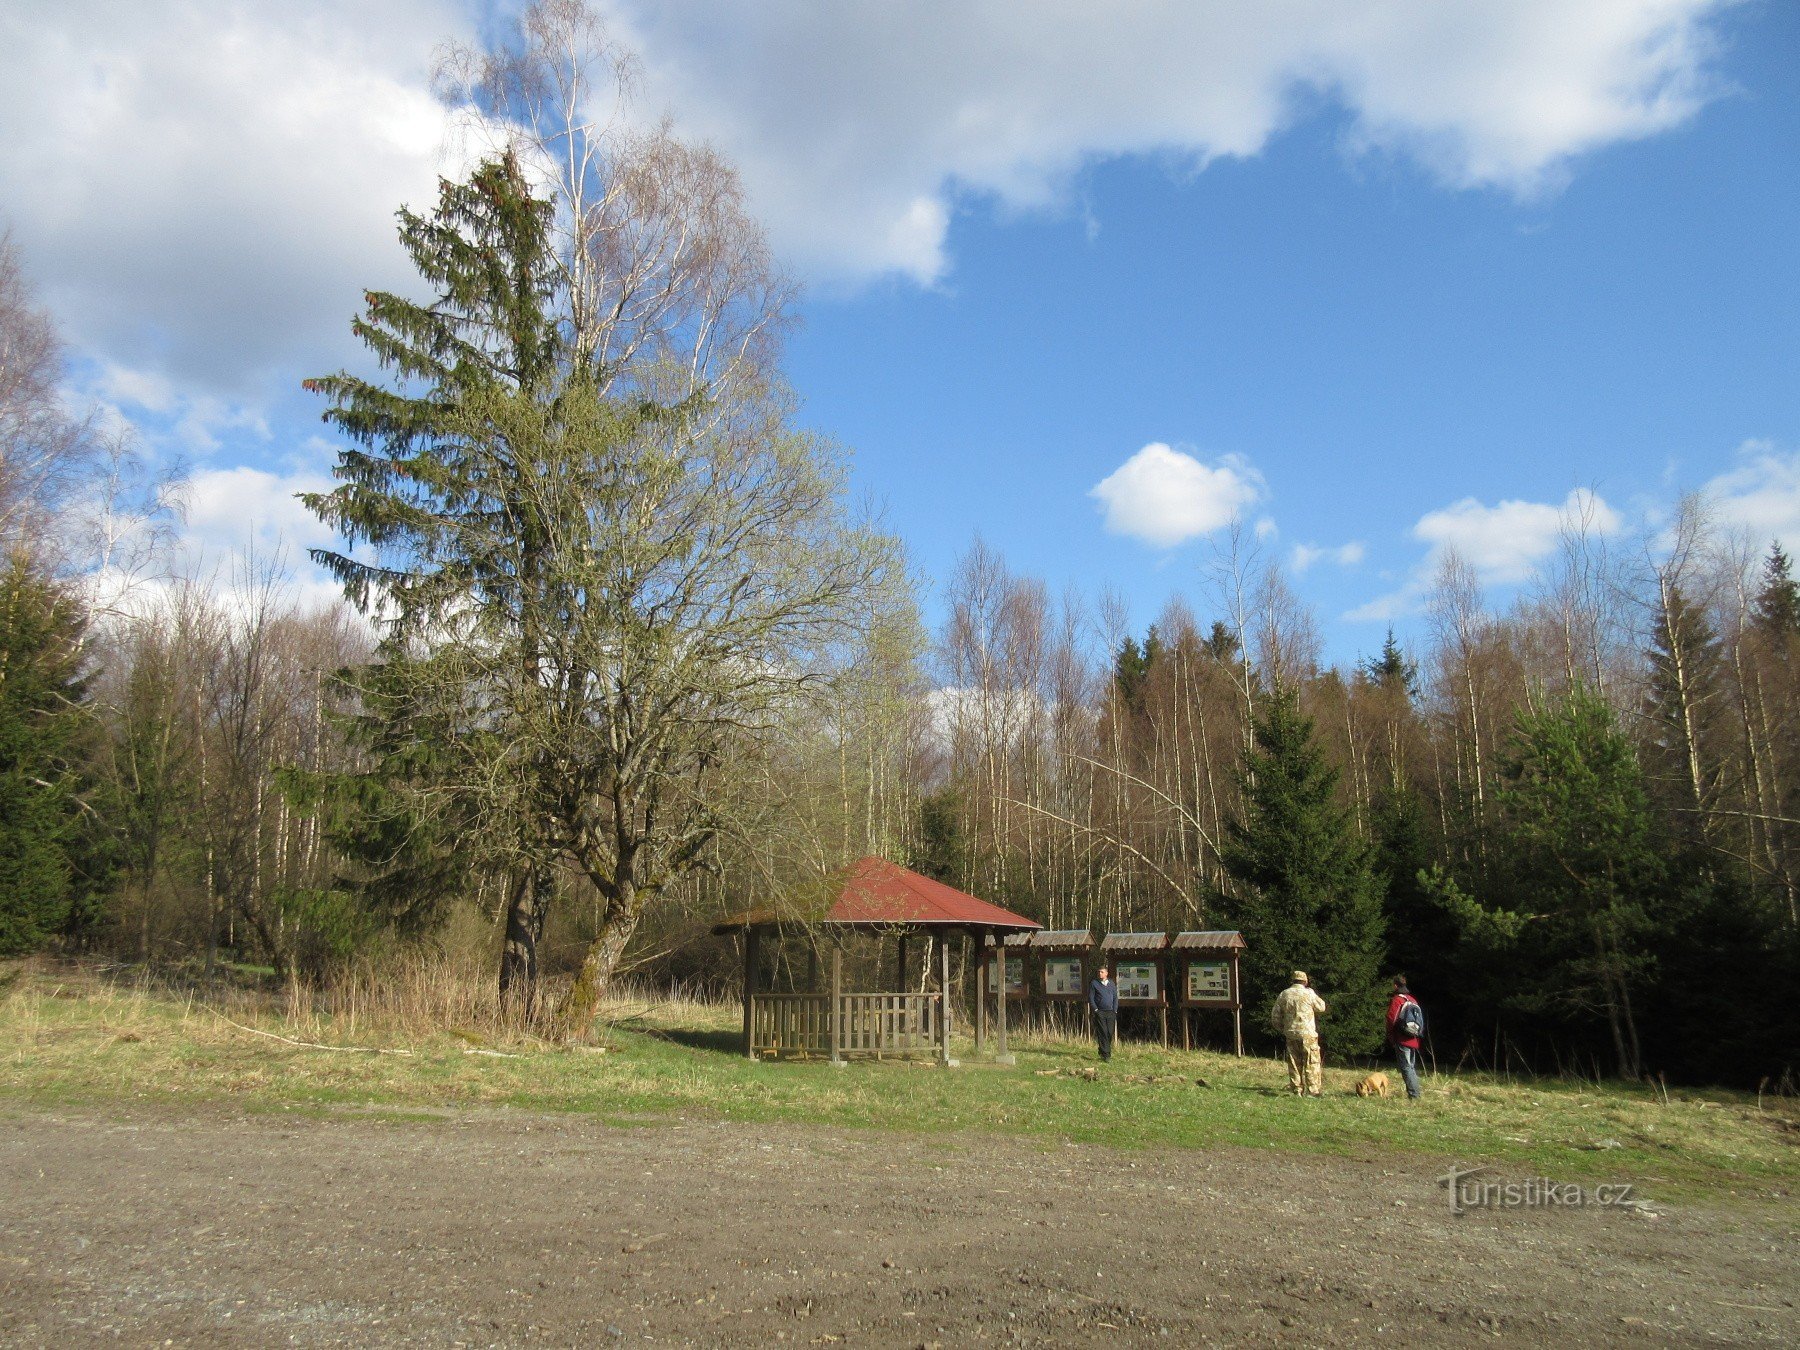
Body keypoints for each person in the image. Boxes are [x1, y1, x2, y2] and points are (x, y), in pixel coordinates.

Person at [1271, 970, 1327, 1097]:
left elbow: (1275, 1016)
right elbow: (1322, 1007)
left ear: (1293, 981)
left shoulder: (1284, 994)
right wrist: (1312, 993)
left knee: (1294, 1063)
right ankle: (1313, 1091)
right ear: (1305, 981)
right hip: (1308, 1034)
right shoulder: (1308, 993)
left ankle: (1296, 1090)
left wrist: (1283, 1029)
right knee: (1311, 1062)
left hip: (1291, 1034)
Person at [1386, 976, 1425, 1100]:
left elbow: (1391, 1019)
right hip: (1414, 1038)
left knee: (1406, 1067)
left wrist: (1390, 1035)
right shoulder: (1413, 1000)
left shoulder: (1397, 1000)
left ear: (1396, 986)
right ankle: (1415, 1093)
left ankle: (1414, 1095)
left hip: (1402, 1038)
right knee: (1411, 1066)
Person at [1088, 964, 1118, 1062]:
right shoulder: (1094, 983)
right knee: (1103, 1032)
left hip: (1111, 1012)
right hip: (1100, 1012)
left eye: (1102, 972)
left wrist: (1115, 1009)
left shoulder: (1111, 983)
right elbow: (1091, 998)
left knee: (1109, 1032)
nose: (1100, 974)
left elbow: (1115, 997)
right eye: (1099, 972)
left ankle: (1102, 1050)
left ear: (1106, 973)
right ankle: (1106, 1055)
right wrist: (1096, 1010)